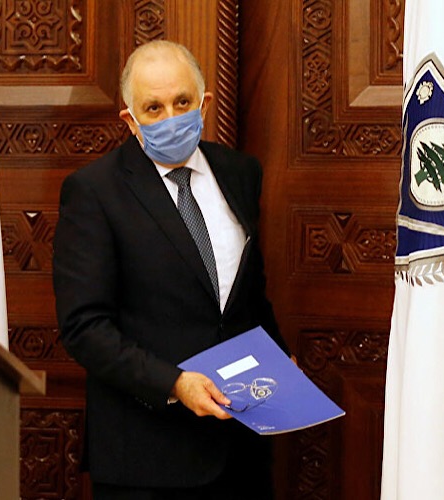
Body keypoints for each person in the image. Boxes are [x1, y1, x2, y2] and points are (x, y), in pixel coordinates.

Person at [53, 40, 290, 500]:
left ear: (204, 103)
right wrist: (174, 384)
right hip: (148, 459)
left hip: (242, 448)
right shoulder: (93, 192)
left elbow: (247, 292)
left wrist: (279, 356)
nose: (171, 117)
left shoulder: (240, 172)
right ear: (131, 119)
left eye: (182, 102)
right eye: (153, 108)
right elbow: (84, 327)